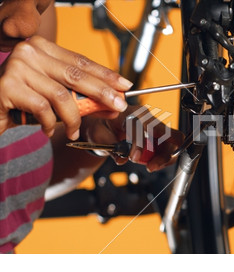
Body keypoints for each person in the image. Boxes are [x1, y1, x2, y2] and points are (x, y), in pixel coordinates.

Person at [0, 0, 183, 253]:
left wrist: (92, 130)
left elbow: (13, 180)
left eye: (39, 5)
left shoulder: (28, 18)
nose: (27, 24)